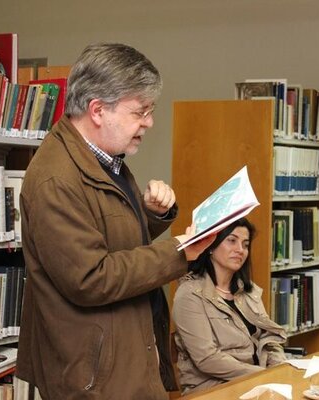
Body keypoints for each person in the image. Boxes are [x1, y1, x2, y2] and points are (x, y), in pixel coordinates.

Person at [15, 43, 214, 400]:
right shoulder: (56, 179)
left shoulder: (105, 159)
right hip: (93, 377)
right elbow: (90, 278)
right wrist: (179, 252)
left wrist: (150, 214)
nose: (149, 122)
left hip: (121, 360)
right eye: (140, 111)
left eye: (150, 111)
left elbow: (108, 237)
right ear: (97, 110)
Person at [172, 217, 288, 395]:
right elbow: (207, 359)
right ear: (211, 245)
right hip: (212, 389)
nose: (240, 250)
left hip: (255, 383)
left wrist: (279, 367)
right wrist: (263, 375)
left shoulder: (248, 291)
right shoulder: (189, 294)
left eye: (245, 244)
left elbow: (268, 336)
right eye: (232, 241)